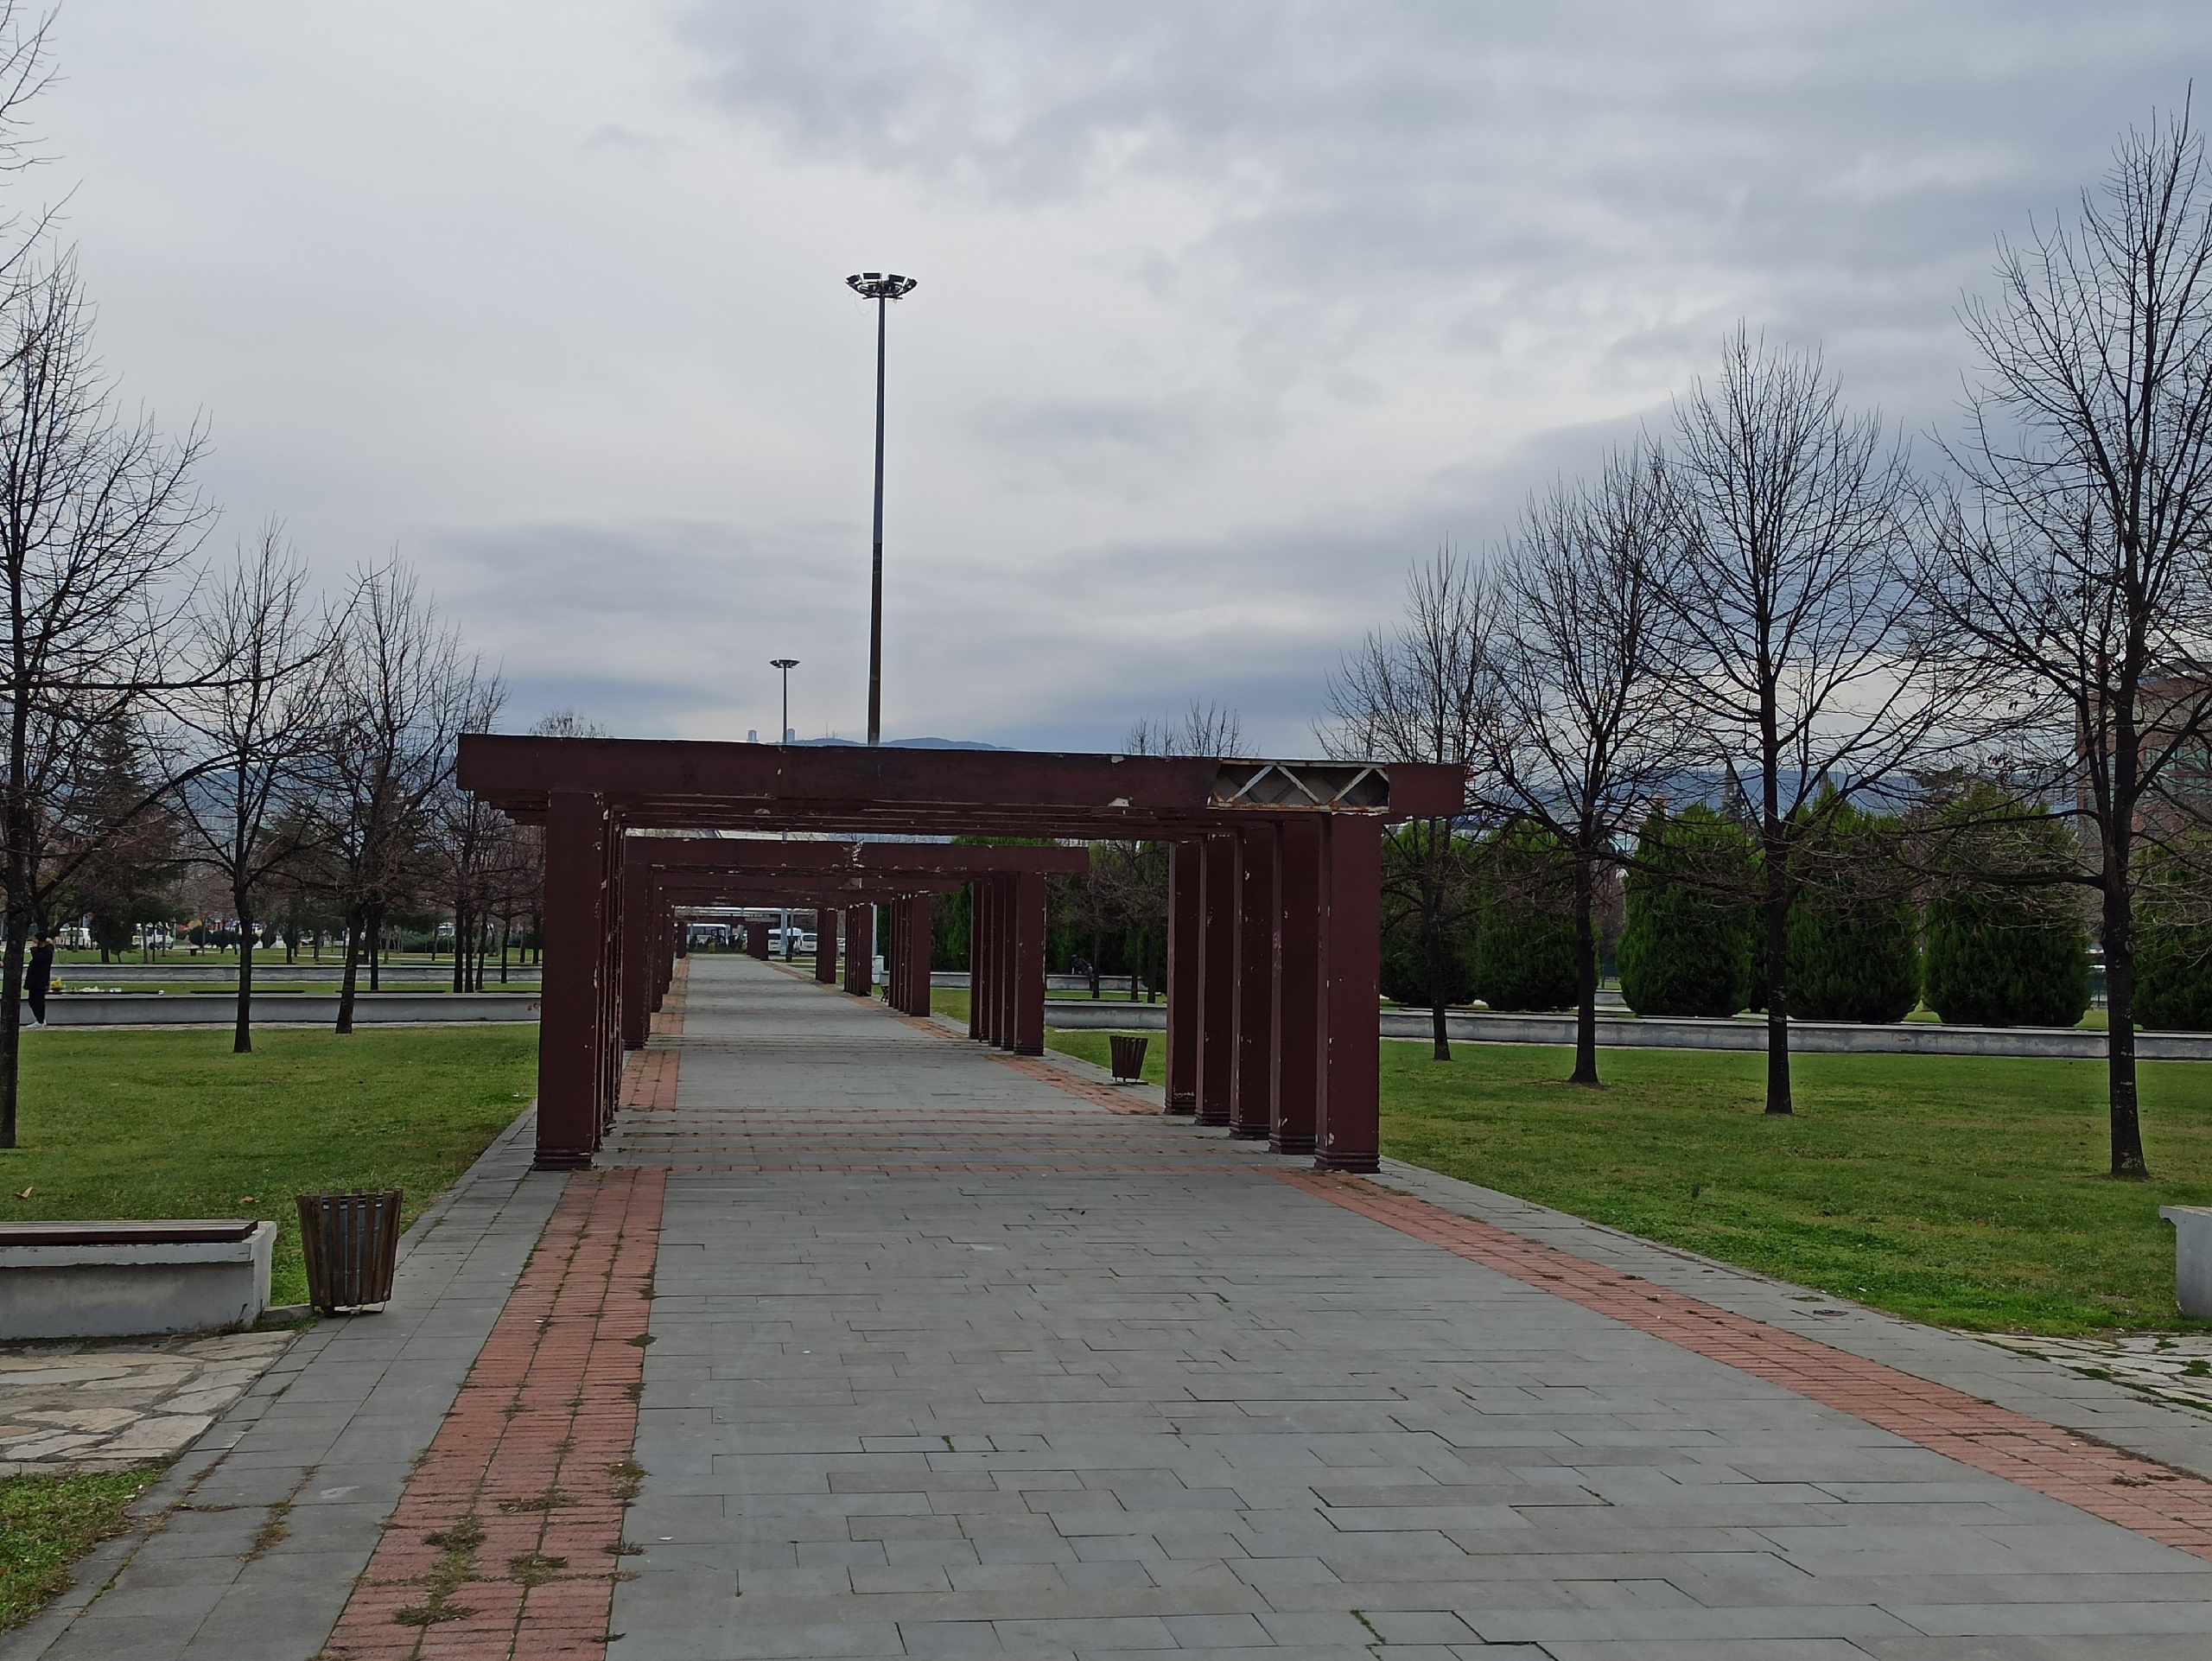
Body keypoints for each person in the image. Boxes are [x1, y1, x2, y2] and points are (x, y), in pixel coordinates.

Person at [25, 932, 54, 1028]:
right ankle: (39, 1019)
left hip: (40, 980)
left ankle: (40, 1020)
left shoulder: (47, 951)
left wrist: (33, 948)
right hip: (34, 980)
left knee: (38, 1000)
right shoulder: (41, 950)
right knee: (32, 1000)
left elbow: (38, 959)